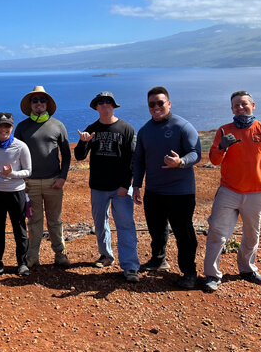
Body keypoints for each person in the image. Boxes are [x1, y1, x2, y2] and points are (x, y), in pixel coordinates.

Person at [203, 91, 261, 293]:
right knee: (217, 233)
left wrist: (256, 175)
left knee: (252, 235)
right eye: (236, 105)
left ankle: (247, 269)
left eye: (244, 104)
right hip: (228, 191)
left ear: (253, 105)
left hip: (257, 192)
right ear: (231, 109)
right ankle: (212, 274)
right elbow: (214, 160)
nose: (240, 108)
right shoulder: (223, 131)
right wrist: (221, 147)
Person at [132, 86, 201, 289]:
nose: (156, 107)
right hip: (154, 191)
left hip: (180, 192)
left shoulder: (183, 126)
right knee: (156, 229)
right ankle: (158, 259)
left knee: (183, 233)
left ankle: (189, 271)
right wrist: (136, 186)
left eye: (160, 103)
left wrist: (181, 162)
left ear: (168, 104)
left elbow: (196, 153)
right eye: (152, 104)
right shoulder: (145, 130)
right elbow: (139, 161)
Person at [74, 91, 140, 282]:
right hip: (98, 186)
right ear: (96, 107)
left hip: (120, 187)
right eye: (100, 103)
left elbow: (131, 159)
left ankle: (130, 266)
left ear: (113, 106)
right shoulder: (92, 128)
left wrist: (125, 185)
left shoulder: (126, 129)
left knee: (125, 225)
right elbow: (79, 156)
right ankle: (106, 255)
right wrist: (83, 142)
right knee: (100, 223)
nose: (104, 105)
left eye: (108, 102)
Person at [14, 86, 71, 268]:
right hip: (30, 183)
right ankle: (32, 257)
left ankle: (60, 254)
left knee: (55, 220)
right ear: (30, 104)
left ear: (47, 104)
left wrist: (62, 177)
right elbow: (15, 155)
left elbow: (67, 154)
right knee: (34, 221)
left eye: (42, 100)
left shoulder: (58, 126)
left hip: (54, 181)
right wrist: (21, 180)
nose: (38, 103)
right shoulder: (22, 127)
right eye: (35, 100)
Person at [0, 112, 32, 277]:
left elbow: (28, 171)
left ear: (12, 127)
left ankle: (22, 263)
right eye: (0, 126)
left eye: (7, 126)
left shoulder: (21, 146)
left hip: (16, 193)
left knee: (19, 229)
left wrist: (12, 174)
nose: (3, 129)